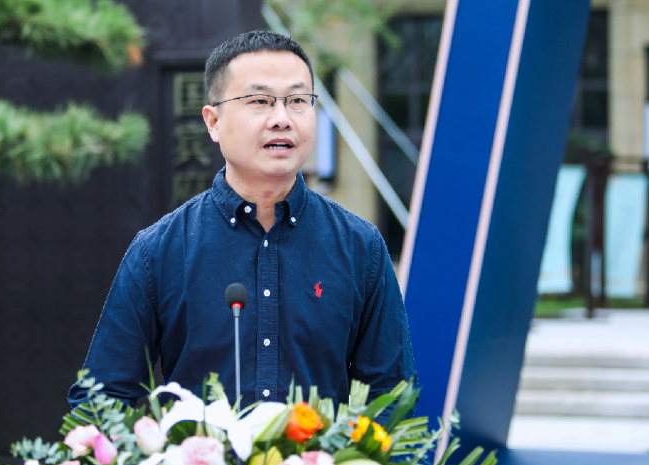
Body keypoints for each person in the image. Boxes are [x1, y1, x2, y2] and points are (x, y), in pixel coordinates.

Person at [68, 30, 416, 412]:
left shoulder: (360, 247)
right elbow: (100, 400)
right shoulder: (158, 251)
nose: (282, 119)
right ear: (213, 121)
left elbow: (392, 399)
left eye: (298, 101)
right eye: (260, 101)